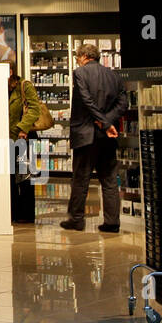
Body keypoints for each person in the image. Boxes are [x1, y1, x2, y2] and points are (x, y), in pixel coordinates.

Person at [61, 44, 128, 233]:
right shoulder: (114, 75)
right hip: (107, 137)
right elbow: (123, 104)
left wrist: (102, 122)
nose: (77, 61)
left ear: (83, 56)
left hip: (86, 134)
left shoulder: (80, 73)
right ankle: (112, 222)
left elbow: (86, 100)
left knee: (81, 179)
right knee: (109, 180)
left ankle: (76, 219)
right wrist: (107, 122)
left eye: (77, 57)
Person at [7, 66, 44, 224]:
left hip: (24, 137)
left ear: (10, 72)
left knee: (25, 178)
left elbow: (34, 109)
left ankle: (26, 215)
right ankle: (12, 212)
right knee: (9, 177)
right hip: (7, 138)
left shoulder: (24, 85)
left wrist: (23, 128)